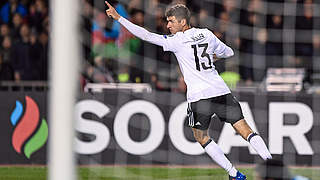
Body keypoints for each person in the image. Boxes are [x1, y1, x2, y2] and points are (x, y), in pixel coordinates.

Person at [105, 2, 272, 179]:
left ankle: (234, 174)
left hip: (199, 97)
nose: (168, 25)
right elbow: (229, 52)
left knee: (201, 137)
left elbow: (146, 35)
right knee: (245, 130)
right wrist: (212, 56)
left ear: (183, 22)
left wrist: (119, 18)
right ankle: (273, 167)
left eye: (171, 21)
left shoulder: (177, 41)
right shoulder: (207, 34)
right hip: (220, 90)